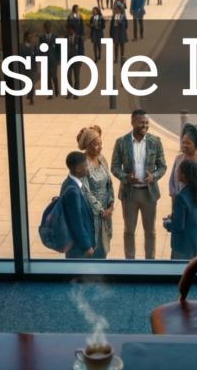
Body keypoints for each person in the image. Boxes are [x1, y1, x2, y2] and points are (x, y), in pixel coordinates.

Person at [111, 110, 167, 260]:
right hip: (129, 194)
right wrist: (126, 178)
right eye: (141, 122)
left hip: (149, 194)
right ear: (132, 122)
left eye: (147, 123)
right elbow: (114, 167)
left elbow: (162, 166)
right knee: (129, 230)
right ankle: (130, 261)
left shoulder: (156, 141)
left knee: (150, 231)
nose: (145, 125)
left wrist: (153, 176)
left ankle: (151, 261)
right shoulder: (121, 142)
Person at [164, 160, 197, 260]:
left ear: (184, 175)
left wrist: (167, 224)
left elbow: (178, 226)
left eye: (179, 171)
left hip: (184, 247)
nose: (177, 173)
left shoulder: (181, 196)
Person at [77, 126, 113, 258]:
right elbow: (85, 190)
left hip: (106, 213)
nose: (100, 147)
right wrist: (101, 210)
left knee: (104, 246)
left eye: (101, 144)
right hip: (92, 213)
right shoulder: (83, 163)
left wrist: (110, 205)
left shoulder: (102, 159)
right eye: (96, 144)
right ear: (87, 145)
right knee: (93, 247)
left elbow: (109, 183)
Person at [62, 151, 97, 259]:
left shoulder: (70, 183)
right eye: (86, 165)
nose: (88, 168)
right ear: (78, 168)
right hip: (78, 248)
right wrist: (87, 245)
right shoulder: (73, 192)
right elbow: (76, 223)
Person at [169, 123, 197, 208]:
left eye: (188, 143)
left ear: (196, 145)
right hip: (177, 202)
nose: (184, 145)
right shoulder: (178, 158)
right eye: (183, 142)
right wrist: (174, 201)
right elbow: (171, 181)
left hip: (192, 206)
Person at [38, 21, 61, 100]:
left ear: (51, 28)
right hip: (45, 60)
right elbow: (41, 49)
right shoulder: (41, 38)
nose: (48, 28)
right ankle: (50, 93)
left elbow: (58, 49)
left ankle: (56, 89)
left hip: (53, 60)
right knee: (48, 77)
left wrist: (59, 59)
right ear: (44, 28)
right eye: (46, 27)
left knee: (54, 76)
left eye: (49, 27)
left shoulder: (55, 37)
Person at [65, 24, 85, 99]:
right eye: (68, 30)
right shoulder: (65, 38)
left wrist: (80, 60)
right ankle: (70, 92)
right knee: (69, 76)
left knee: (77, 76)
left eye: (70, 30)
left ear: (74, 30)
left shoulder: (79, 38)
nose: (69, 32)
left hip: (76, 60)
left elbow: (81, 50)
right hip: (68, 60)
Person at [20, 31, 37, 105]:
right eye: (29, 37)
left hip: (31, 67)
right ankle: (28, 93)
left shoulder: (34, 45)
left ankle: (31, 98)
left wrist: (31, 65)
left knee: (31, 82)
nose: (31, 38)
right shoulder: (21, 46)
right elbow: (20, 56)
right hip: (23, 67)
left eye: (31, 37)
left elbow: (36, 57)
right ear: (25, 38)